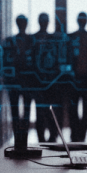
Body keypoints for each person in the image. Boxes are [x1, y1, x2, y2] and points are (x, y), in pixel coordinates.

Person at [3, 14, 33, 146]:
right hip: (15, 82)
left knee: (25, 112)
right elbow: (5, 61)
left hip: (27, 82)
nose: (22, 25)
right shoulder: (10, 41)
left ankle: (23, 139)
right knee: (16, 112)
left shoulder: (31, 40)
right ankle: (18, 139)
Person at [67, 11, 87, 141]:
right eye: (80, 19)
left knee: (86, 108)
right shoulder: (70, 37)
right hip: (73, 78)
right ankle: (74, 133)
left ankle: (82, 134)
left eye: (83, 19)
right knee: (73, 107)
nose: (82, 21)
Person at [31, 12, 60, 143]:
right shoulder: (33, 39)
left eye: (45, 21)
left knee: (50, 110)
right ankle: (41, 138)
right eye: (42, 21)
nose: (44, 23)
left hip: (51, 80)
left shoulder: (53, 39)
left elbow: (57, 58)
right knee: (40, 110)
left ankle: (53, 135)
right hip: (38, 80)